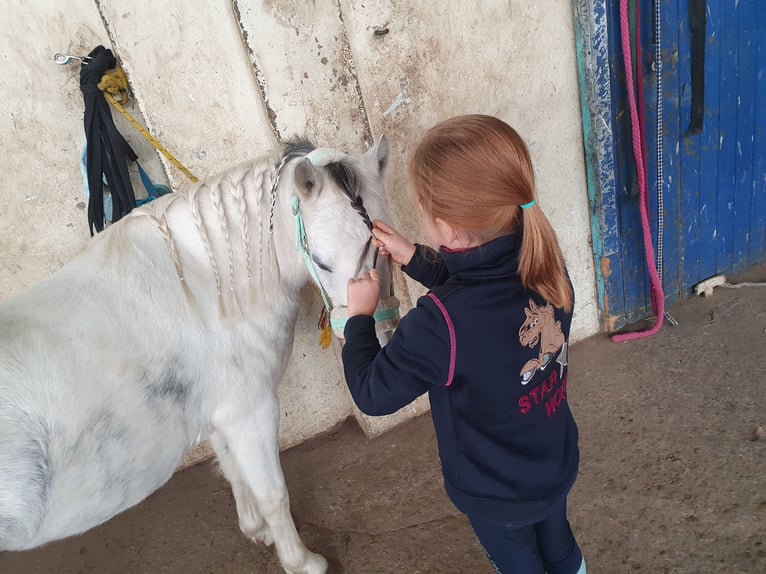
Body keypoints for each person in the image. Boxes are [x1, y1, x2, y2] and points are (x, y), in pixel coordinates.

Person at [341, 114, 585, 574]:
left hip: (495, 493)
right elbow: (481, 282)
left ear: (448, 231)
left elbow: (372, 393)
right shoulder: (547, 263)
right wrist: (415, 257)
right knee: (559, 548)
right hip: (552, 460)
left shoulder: (440, 324)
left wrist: (358, 316)